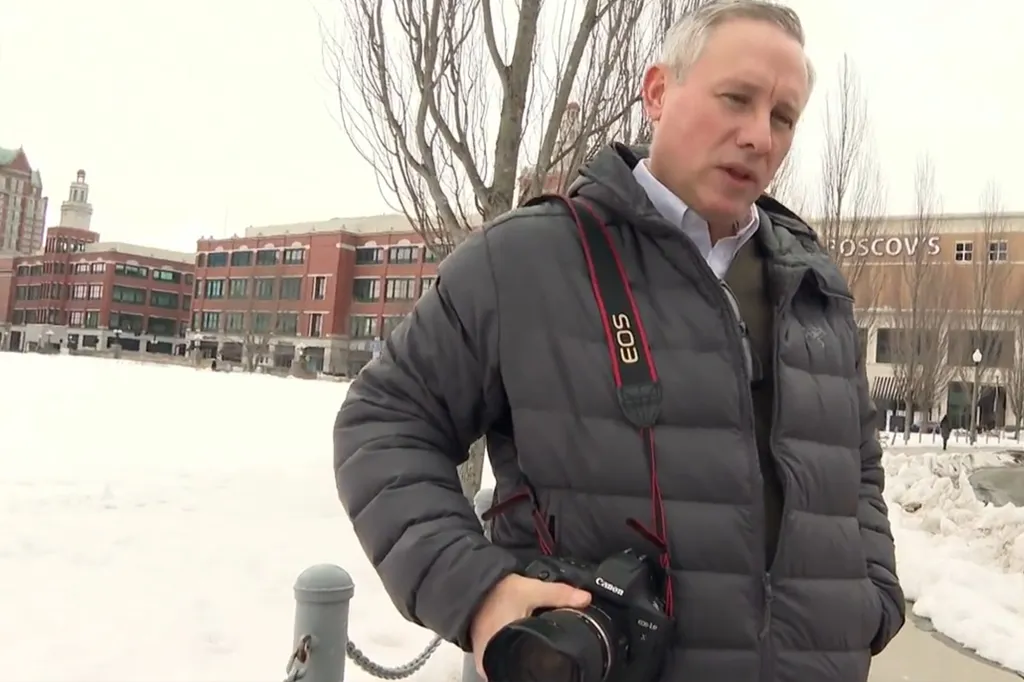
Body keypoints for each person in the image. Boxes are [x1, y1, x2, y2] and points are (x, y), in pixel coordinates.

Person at [333, 2, 905, 681]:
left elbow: (855, 462)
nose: (760, 136)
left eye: (783, 117)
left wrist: (871, 590)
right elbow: (385, 424)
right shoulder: (525, 261)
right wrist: (479, 594)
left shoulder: (815, 285)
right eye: (736, 99)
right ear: (658, 91)